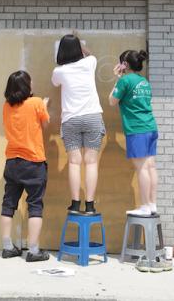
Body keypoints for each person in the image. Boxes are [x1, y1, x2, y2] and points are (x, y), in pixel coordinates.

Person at [51, 34, 105, 214]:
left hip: (71, 119)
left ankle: (75, 204)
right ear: (79, 49)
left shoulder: (59, 72)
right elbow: (89, 54)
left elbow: (55, 83)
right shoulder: (90, 63)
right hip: (92, 117)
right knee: (91, 162)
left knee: (74, 162)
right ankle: (90, 205)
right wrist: (80, 44)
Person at [1, 70, 50, 262]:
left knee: (8, 204)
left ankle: (7, 247)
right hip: (33, 162)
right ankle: (34, 250)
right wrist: (45, 105)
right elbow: (45, 124)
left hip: (12, 161)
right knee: (35, 205)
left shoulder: (6, 106)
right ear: (26, 87)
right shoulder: (36, 102)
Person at [108, 50, 158, 216]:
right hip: (150, 127)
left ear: (125, 64)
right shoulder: (144, 81)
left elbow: (111, 101)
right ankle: (151, 204)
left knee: (141, 167)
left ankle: (144, 205)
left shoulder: (125, 80)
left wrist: (118, 78)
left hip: (137, 129)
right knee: (150, 166)